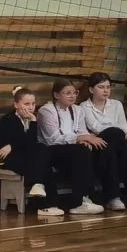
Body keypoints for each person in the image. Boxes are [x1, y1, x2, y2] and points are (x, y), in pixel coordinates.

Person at [37, 78, 108, 215]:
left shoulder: (77, 110)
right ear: (56, 95)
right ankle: (78, 201)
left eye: (74, 93)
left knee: (92, 149)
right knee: (81, 151)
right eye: (67, 93)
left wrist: (85, 140)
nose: (72, 96)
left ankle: (89, 197)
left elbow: (82, 131)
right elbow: (53, 139)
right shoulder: (46, 111)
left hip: (72, 149)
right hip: (50, 151)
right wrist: (79, 139)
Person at [80, 72, 127, 210]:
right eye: (101, 87)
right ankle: (122, 196)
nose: (105, 90)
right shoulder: (84, 107)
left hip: (117, 142)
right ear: (91, 89)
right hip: (99, 142)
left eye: (108, 87)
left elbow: (123, 124)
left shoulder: (116, 104)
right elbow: (95, 127)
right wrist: (119, 130)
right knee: (116, 138)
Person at [0, 86, 56, 215]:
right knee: (40, 162)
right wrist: (12, 146)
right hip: (7, 158)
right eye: (26, 104)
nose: (30, 107)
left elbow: (31, 144)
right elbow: (0, 145)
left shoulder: (31, 119)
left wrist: (33, 121)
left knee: (42, 153)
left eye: (33, 104)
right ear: (16, 104)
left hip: (24, 154)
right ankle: (44, 203)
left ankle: (43, 194)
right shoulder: (8, 120)